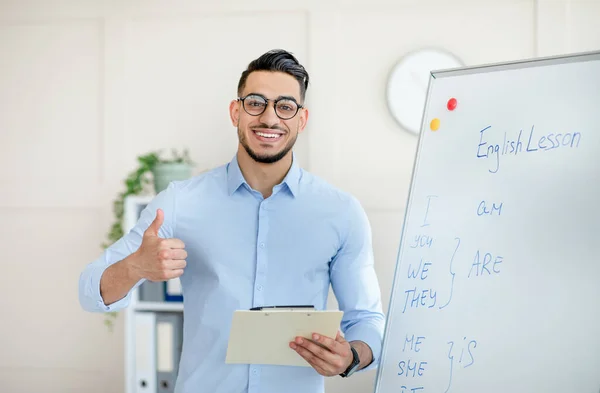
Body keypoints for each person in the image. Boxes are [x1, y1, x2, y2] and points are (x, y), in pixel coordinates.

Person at [79, 49, 385, 393]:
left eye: (285, 106)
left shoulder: (342, 212)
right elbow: (89, 291)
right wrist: (135, 266)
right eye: (256, 103)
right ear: (235, 111)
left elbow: (368, 321)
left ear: (302, 119)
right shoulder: (180, 202)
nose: (269, 118)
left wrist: (352, 358)